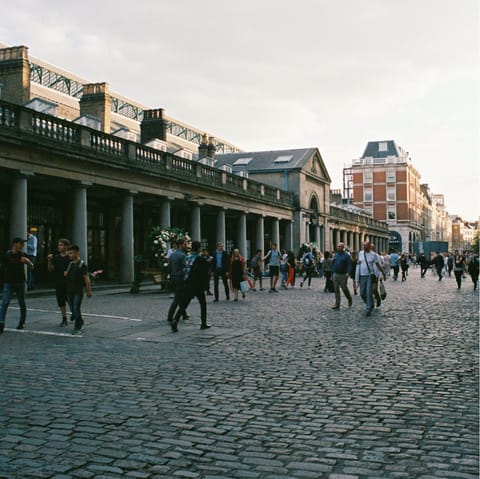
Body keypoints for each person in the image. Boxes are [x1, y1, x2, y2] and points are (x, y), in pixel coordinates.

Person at [171, 241, 210, 332]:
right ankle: (203, 323)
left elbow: (184, 270)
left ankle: (175, 321)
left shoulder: (187, 258)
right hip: (198, 285)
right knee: (203, 304)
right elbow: (204, 275)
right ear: (199, 248)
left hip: (188, 284)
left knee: (184, 304)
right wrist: (206, 287)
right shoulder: (201, 259)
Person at [0, 237, 35, 333]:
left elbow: (32, 266)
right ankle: (1, 322)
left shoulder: (23, 255)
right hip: (8, 282)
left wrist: (28, 262)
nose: (23, 245)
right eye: (21, 243)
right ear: (15, 244)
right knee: (5, 303)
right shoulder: (6, 255)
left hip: (20, 282)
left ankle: (22, 322)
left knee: (21, 303)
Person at [65, 244, 92, 335]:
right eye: (69, 253)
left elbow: (86, 278)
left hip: (78, 290)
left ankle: (77, 326)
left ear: (76, 253)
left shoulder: (82, 264)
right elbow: (68, 275)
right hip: (69, 290)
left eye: (71, 253)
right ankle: (80, 320)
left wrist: (88, 290)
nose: (69, 255)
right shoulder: (70, 264)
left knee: (76, 308)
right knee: (73, 309)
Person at [355, 241, 386, 317]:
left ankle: (368, 309)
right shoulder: (361, 253)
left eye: (366, 246)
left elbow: (378, 265)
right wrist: (357, 262)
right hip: (362, 275)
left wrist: (383, 273)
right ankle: (370, 303)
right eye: (363, 245)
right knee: (362, 293)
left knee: (369, 292)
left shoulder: (374, 255)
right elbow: (358, 263)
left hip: (370, 275)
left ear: (369, 246)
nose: (364, 247)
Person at [47, 238, 71, 326]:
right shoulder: (57, 257)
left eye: (61, 245)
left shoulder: (70, 257)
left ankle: (75, 315)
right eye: (58, 245)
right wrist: (49, 261)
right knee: (61, 301)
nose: (59, 247)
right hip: (59, 282)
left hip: (69, 283)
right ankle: (64, 319)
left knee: (71, 300)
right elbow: (51, 269)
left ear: (66, 246)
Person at [166, 238, 189, 324]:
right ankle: (170, 316)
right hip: (180, 278)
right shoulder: (182, 256)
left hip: (173, 277)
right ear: (180, 245)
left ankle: (184, 314)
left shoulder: (172, 255)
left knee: (180, 297)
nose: (186, 246)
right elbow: (185, 268)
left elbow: (169, 267)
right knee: (178, 298)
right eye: (185, 244)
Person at [331, 242, 353, 309]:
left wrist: (348, 273)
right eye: (338, 246)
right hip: (335, 274)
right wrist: (332, 274)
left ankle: (349, 298)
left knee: (344, 288)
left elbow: (349, 265)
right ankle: (337, 304)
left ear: (343, 247)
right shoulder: (336, 255)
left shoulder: (346, 256)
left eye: (340, 246)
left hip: (343, 274)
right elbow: (333, 264)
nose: (338, 248)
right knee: (336, 289)